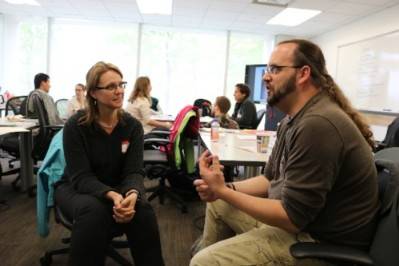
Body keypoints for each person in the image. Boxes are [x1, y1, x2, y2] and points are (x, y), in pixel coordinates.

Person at [190, 39, 379, 266]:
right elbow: (269, 179)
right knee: (219, 202)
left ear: (303, 74)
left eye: (276, 69)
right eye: (268, 69)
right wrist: (223, 189)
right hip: (306, 226)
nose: (265, 76)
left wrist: (223, 190)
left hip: (321, 244)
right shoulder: (292, 120)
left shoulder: (318, 124)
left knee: (205, 261)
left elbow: (292, 217)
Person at [54, 62, 164, 266]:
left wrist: (132, 193)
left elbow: (133, 171)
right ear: (94, 93)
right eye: (111, 86)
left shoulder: (131, 126)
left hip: (118, 187)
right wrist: (113, 195)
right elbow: (81, 177)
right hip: (76, 188)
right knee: (94, 211)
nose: (120, 90)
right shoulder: (76, 126)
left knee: (143, 209)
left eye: (121, 84)